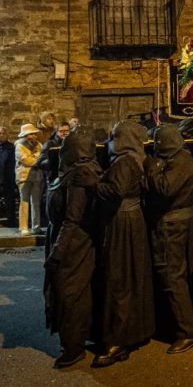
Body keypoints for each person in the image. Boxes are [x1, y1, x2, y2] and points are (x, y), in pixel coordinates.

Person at [88, 120, 155, 368]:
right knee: (126, 277)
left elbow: (116, 190)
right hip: (126, 220)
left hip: (124, 223)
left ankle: (118, 339)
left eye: (115, 137)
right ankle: (125, 334)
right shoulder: (129, 159)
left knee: (120, 279)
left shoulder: (126, 161)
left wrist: (94, 184)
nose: (111, 142)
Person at [44, 128, 101, 368]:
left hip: (73, 242)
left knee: (70, 293)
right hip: (67, 237)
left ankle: (74, 345)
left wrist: (59, 250)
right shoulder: (73, 172)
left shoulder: (81, 175)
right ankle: (74, 340)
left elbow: (73, 218)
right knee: (71, 292)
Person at [144, 125, 193, 354]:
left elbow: (165, 188)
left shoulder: (180, 162)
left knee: (172, 276)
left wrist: (152, 167)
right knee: (177, 276)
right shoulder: (182, 159)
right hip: (179, 222)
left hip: (173, 225)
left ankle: (187, 331)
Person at [14, 123, 44, 235]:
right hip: (24, 177)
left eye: (34, 134)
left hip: (36, 177)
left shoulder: (39, 145)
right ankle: (24, 227)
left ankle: (36, 226)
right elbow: (27, 161)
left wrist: (35, 158)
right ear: (25, 136)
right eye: (30, 134)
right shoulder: (19, 146)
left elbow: (42, 157)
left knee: (36, 202)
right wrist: (37, 157)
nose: (33, 136)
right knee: (24, 201)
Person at [0, 126, 17, 227]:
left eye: (3, 133)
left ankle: (11, 221)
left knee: (10, 201)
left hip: (8, 179)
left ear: (7, 135)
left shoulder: (11, 147)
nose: (1, 135)